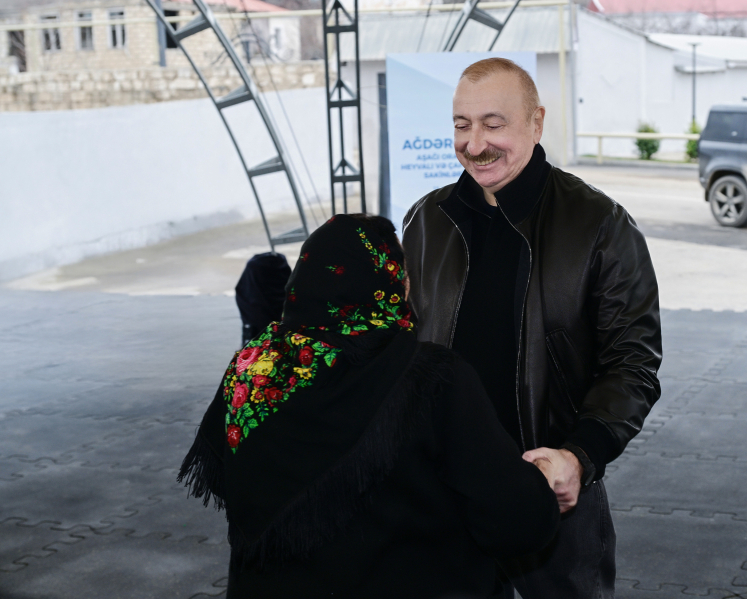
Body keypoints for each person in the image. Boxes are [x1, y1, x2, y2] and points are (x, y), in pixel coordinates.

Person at [179, 214, 560, 599]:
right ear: (392, 285)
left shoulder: (251, 369)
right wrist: (541, 477)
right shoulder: (433, 378)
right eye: (404, 274)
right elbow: (517, 524)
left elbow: (233, 481)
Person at [402, 58, 662, 598]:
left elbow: (632, 363)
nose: (474, 144)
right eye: (462, 125)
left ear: (536, 122)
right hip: (442, 494)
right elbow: (400, 349)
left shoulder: (600, 225)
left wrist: (580, 456)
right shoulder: (427, 221)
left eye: (493, 124)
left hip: (554, 491)